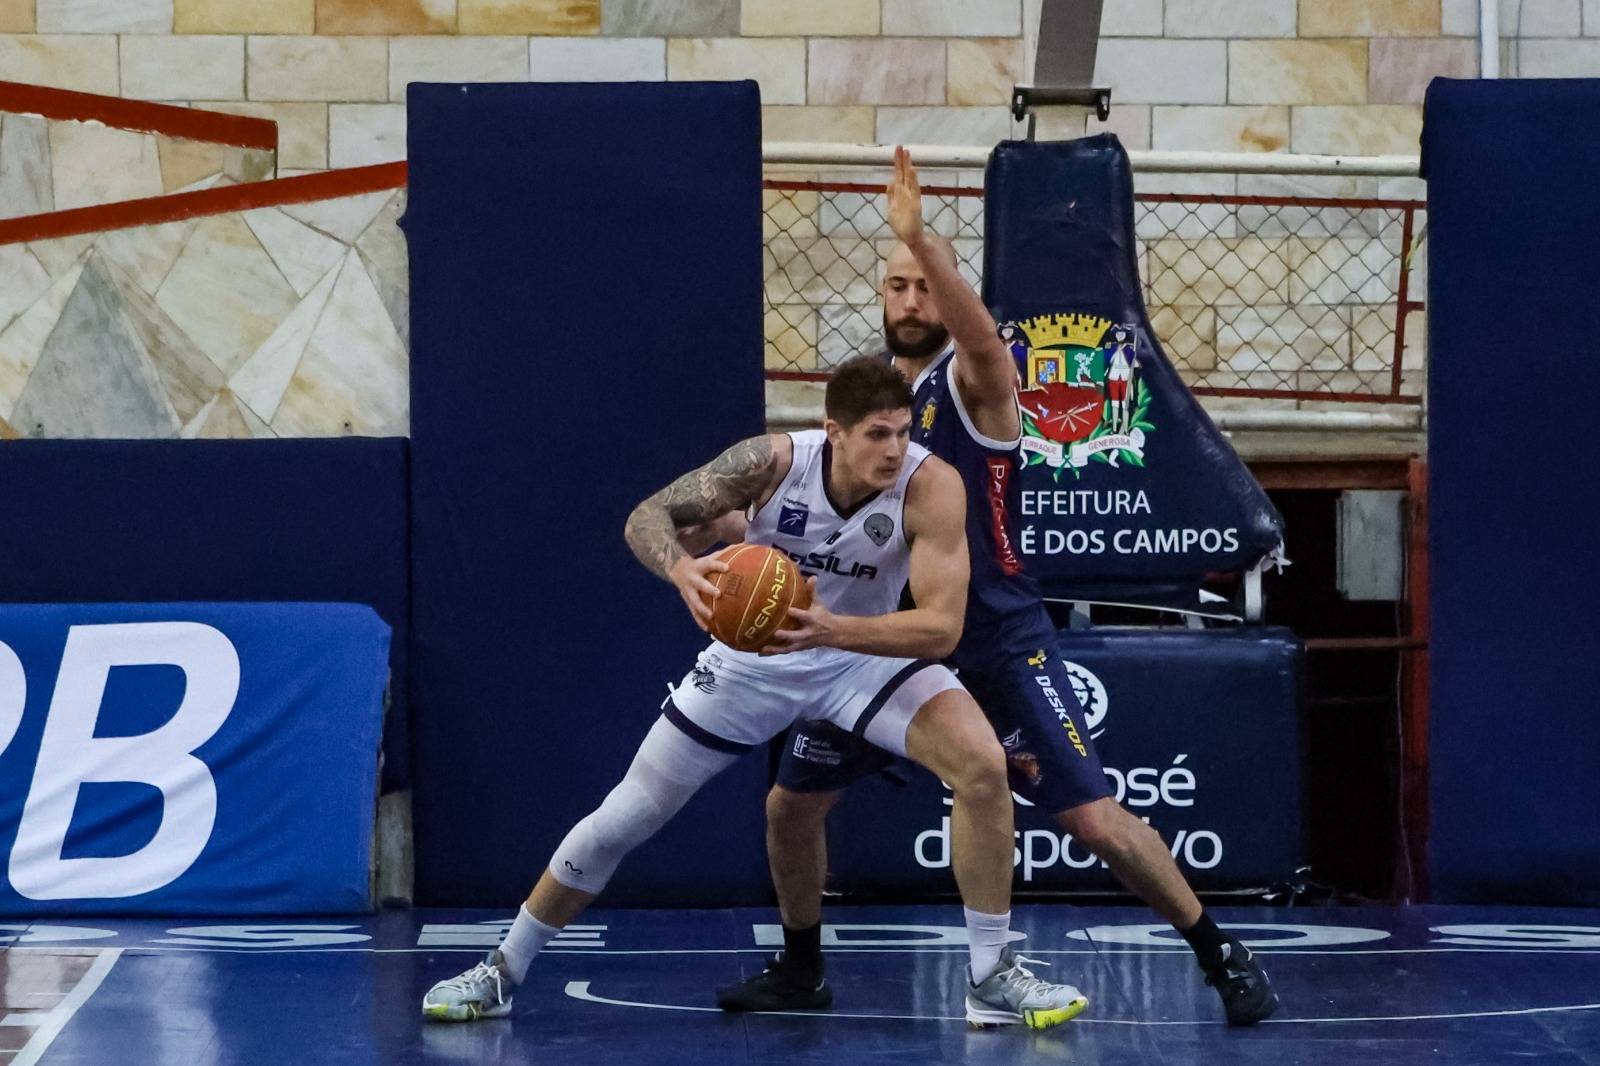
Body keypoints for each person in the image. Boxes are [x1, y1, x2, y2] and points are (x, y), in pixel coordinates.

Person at [716, 148, 1279, 1027]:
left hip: (994, 637)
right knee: (792, 806)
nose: (911, 302)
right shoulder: (874, 410)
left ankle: (1218, 949)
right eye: (897, 286)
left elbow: (982, 337)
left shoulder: (974, 386)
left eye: (925, 287)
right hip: (885, 644)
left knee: (1092, 820)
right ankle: (799, 967)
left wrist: (923, 239)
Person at [422, 356, 1088, 1030]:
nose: (895, 449)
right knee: (625, 816)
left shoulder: (932, 485)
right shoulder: (769, 463)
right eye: (877, 435)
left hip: (859, 652)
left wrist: (832, 626)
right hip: (754, 660)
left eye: (902, 431)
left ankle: (990, 976)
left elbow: (941, 629)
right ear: (834, 430)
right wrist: (683, 572)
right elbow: (645, 516)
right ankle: (502, 969)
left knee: (981, 764)